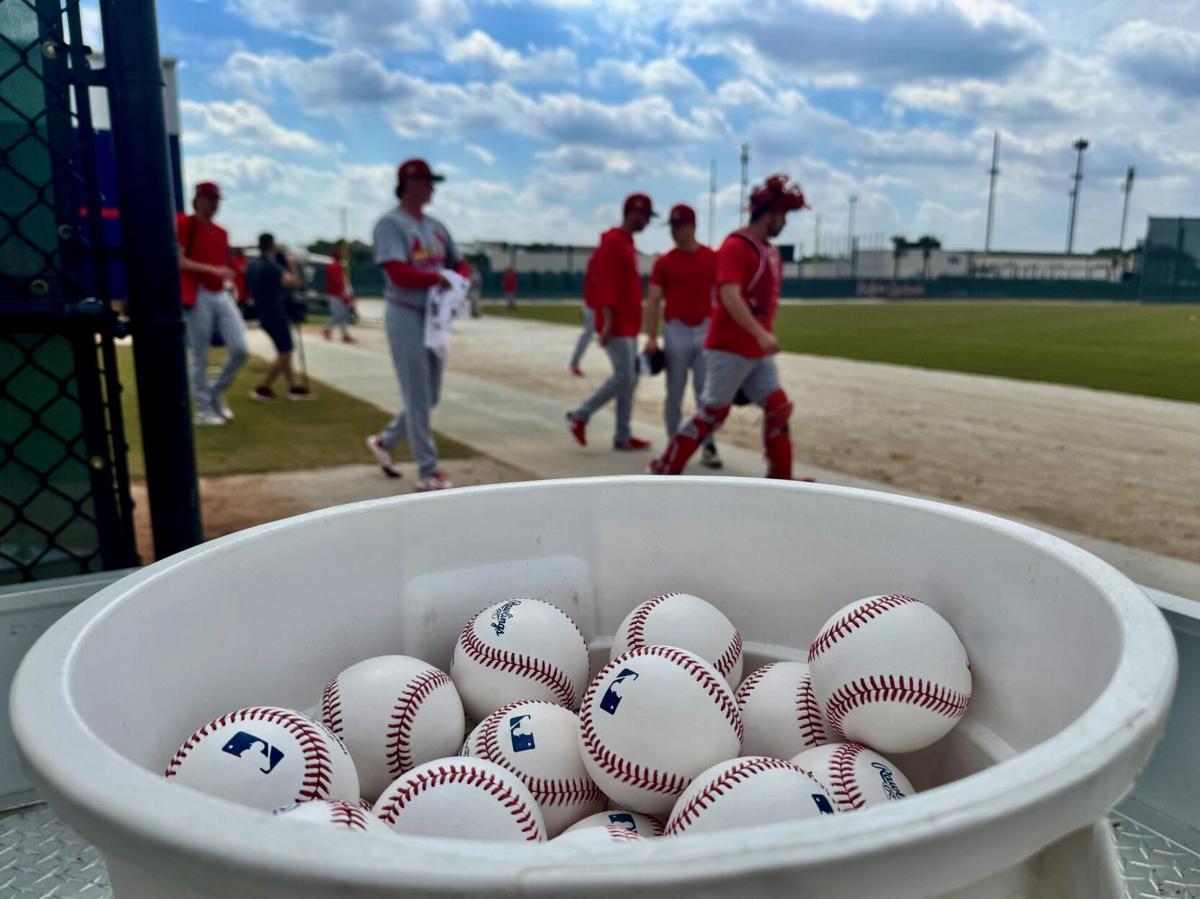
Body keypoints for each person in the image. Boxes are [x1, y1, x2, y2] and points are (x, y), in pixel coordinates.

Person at [650, 174, 813, 480]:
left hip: (754, 349)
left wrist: (759, 336)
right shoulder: (737, 246)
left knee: (777, 407)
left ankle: (781, 479)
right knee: (712, 412)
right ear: (769, 214)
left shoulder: (767, 250)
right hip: (729, 346)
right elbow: (728, 294)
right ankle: (666, 467)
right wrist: (760, 333)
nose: (785, 223)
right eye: (783, 216)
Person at [365, 158, 461, 491]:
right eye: (427, 181)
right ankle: (428, 470)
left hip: (433, 317)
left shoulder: (436, 226)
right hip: (405, 312)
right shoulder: (390, 224)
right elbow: (397, 271)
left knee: (429, 395)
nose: (432, 188)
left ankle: (386, 442)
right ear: (410, 184)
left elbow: (457, 261)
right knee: (418, 395)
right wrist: (439, 277)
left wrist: (459, 277)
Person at [565, 193, 655, 451]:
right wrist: (607, 322)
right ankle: (580, 415)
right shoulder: (614, 242)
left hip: (627, 322)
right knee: (625, 376)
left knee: (630, 377)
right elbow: (606, 284)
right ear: (632, 213)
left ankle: (623, 435)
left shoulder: (625, 242)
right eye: (644, 216)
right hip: (616, 323)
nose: (646, 221)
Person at [643, 203, 722, 469]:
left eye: (680, 226)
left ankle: (708, 444)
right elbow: (653, 300)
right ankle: (672, 443)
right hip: (676, 330)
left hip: (705, 329)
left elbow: (725, 296)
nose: (675, 231)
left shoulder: (712, 258)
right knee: (674, 392)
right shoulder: (664, 262)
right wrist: (652, 337)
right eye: (673, 227)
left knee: (706, 394)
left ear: (693, 226)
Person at [176, 181, 247, 427]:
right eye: (209, 198)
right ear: (198, 199)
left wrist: (227, 276)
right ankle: (203, 409)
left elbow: (224, 265)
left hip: (220, 293)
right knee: (200, 354)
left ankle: (215, 391)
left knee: (240, 348)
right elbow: (180, 261)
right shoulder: (186, 223)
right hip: (198, 293)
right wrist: (214, 270)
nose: (213, 204)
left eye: (215, 199)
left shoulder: (221, 232)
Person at [245, 234, 312, 401]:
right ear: (272, 246)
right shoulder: (272, 267)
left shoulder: (253, 265)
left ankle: (292, 386)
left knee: (284, 350)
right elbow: (294, 283)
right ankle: (264, 387)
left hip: (262, 312)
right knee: (286, 351)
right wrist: (293, 265)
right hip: (275, 312)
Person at [323, 244, 356, 343]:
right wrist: (343, 293)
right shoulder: (333, 266)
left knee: (342, 314)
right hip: (334, 294)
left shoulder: (336, 265)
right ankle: (327, 330)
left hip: (337, 293)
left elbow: (340, 281)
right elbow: (336, 281)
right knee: (338, 314)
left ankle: (344, 335)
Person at [568, 264, 594, 377]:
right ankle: (574, 364)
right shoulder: (596, 268)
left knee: (614, 338)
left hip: (596, 307)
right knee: (587, 336)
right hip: (593, 308)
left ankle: (624, 366)